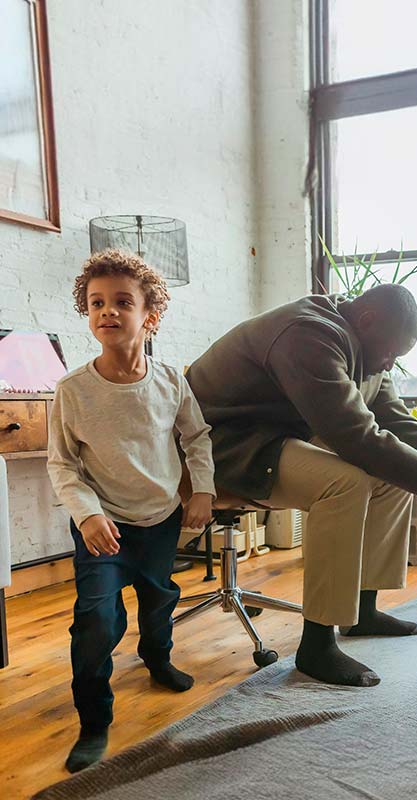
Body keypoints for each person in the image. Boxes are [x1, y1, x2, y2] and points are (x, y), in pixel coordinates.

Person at [186, 284, 417, 688]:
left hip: (270, 437)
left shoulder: (366, 349)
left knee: (392, 477)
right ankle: (316, 646)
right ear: (367, 320)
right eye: (390, 353)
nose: (389, 364)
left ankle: (362, 611)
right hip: (222, 446)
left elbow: (396, 421)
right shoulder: (308, 334)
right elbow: (355, 436)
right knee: (345, 482)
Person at [47, 249, 215, 772]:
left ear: (151, 316)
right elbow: (63, 465)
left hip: (160, 517)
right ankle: (94, 720)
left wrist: (203, 490)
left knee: (159, 595)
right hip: (103, 526)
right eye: (97, 303)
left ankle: (157, 656)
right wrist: (87, 514)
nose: (108, 311)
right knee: (97, 618)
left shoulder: (169, 381)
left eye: (123, 301)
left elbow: (197, 436)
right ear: (87, 312)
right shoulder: (72, 392)